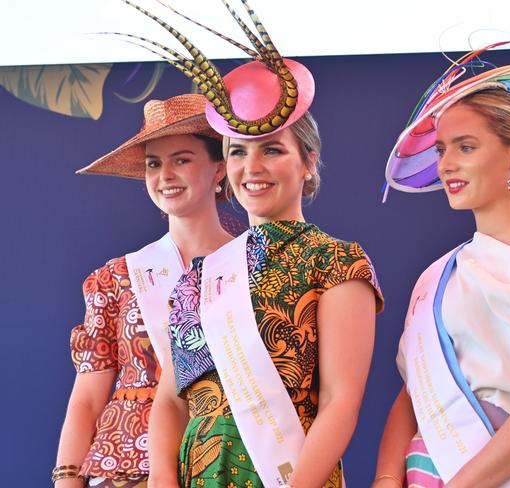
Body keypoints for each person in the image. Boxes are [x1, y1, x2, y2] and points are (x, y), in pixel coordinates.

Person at [120, 3, 383, 487]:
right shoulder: (200, 275)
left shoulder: (338, 262)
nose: (252, 167)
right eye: (238, 151)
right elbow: (173, 398)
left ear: (309, 162)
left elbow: (341, 400)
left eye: (273, 150)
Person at [374, 56, 510, 488]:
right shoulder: (436, 275)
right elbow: (413, 394)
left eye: (466, 146)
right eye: (442, 149)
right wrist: (385, 478)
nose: (447, 165)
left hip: (499, 475)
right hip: (423, 471)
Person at [54, 94, 238, 487]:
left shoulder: (254, 268)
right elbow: (87, 397)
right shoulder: (117, 278)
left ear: (219, 167)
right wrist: (66, 478)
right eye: (154, 164)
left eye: (182, 160)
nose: (165, 175)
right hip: (124, 468)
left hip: (224, 460)